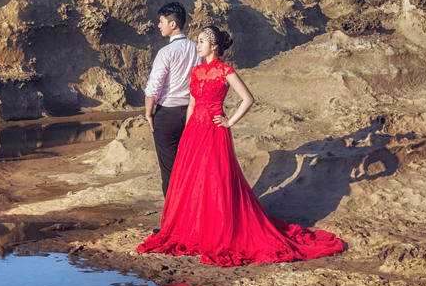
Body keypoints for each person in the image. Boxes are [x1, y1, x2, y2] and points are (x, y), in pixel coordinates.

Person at [137, 26, 345, 266]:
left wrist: (230, 121)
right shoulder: (195, 72)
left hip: (215, 131)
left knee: (215, 180)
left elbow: (248, 99)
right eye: (198, 42)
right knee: (194, 180)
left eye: (202, 42)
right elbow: (192, 107)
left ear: (214, 46)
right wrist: (186, 134)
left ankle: (217, 231)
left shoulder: (225, 71)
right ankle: (196, 228)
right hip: (193, 131)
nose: (198, 46)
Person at [144, 2, 197, 197]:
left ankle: (172, 222)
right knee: (191, 167)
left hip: (167, 115)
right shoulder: (197, 49)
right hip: (193, 113)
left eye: (162, 21)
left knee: (169, 171)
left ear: (173, 24)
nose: (159, 25)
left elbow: (153, 87)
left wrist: (148, 113)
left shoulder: (165, 52)